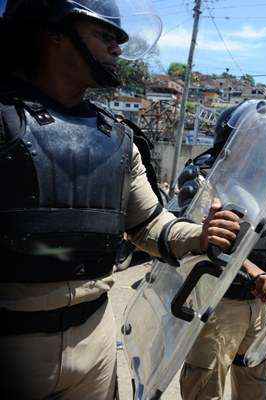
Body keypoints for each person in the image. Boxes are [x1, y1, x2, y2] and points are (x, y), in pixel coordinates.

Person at [0, 1, 241, 399]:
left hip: (95, 337)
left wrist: (201, 235)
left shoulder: (115, 136)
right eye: (105, 35)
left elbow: (148, 225)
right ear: (54, 32)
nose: (117, 47)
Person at [177, 105, 266, 400]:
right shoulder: (204, 178)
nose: (262, 144)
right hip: (216, 301)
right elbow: (203, 239)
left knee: (253, 384)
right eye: (256, 135)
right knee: (206, 386)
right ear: (232, 136)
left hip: (257, 300)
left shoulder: (263, 179)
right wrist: (253, 270)